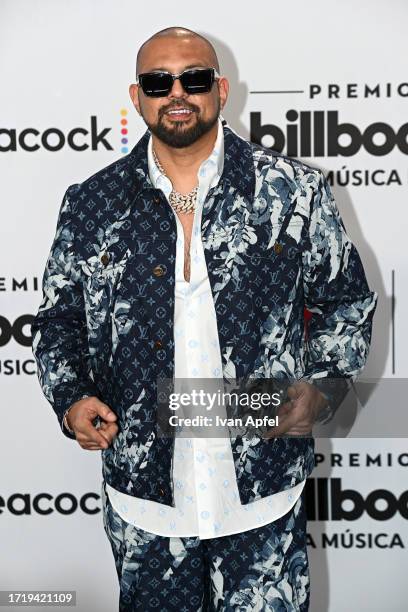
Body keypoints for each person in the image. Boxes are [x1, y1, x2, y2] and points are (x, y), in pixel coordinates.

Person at [31, 26, 377, 611]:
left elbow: (346, 299)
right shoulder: (91, 204)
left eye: (192, 78)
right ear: (136, 97)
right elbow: (59, 322)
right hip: (146, 501)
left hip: (264, 490)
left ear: (219, 89)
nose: (177, 93)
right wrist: (70, 398)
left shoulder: (294, 192)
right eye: (158, 81)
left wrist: (322, 389)